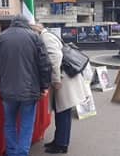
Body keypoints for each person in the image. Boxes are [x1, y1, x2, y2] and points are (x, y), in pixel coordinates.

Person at [0, 15, 52, 156]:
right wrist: (44, 86)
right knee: (26, 125)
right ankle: (22, 153)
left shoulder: (1, 37)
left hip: (8, 91)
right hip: (29, 90)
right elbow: (44, 65)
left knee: (9, 124)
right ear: (26, 24)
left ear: (13, 23)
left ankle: (11, 152)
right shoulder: (34, 37)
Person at [33, 24, 88, 154]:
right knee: (61, 111)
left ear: (36, 30)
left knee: (63, 112)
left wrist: (56, 80)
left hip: (63, 80)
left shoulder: (46, 38)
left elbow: (55, 59)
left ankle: (61, 144)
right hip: (64, 78)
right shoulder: (47, 35)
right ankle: (58, 140)